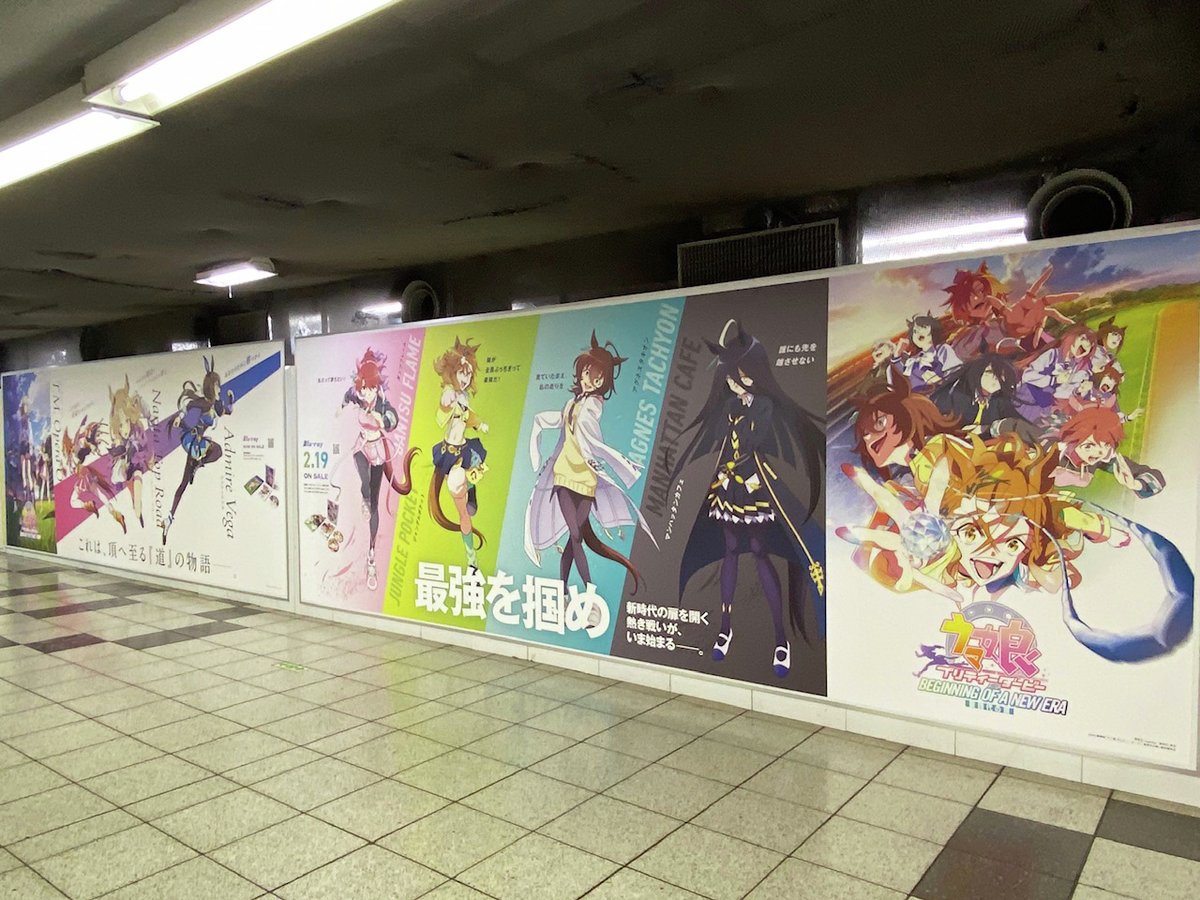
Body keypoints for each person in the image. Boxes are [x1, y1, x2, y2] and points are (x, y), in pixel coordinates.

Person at [670, 319, 825, 678]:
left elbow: (754, 442)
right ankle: (725, 627)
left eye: (739, 375)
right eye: (730, 376)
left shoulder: (763, 405)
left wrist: (733, 464)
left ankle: (781, 638)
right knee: (729, 548)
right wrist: (723, 465)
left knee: (758, 549)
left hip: (755, 484)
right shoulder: (730, 406)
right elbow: (723, 439)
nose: (734, 382)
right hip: (729, 486)